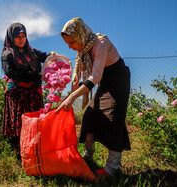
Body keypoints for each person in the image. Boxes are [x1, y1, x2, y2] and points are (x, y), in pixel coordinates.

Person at [56, 17, 131, 179]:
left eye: (72, 42)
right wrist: (69, 95)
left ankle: (111, 169)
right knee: (90, 115)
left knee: (113, 118)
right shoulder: (84, 51)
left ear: (80, 35)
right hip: (104, 80)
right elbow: (86, 78)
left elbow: (94, 77)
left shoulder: (100, 44)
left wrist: (71, 98)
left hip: (118, 79)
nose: (71, 47)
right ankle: (87, 157)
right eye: (68, 44)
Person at [1, 22, 54, 159]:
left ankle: (35, 150)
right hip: (18, 94)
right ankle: (20, 153)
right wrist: (33, 76)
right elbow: (11, 73)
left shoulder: (32, 52)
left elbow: (46, 57)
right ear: (11, 37)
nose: (21, 39)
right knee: (20, 122)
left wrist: (53, 56)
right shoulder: (8, 54)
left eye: (23, 35)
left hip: (33, 92)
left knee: (35, 120)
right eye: (17, 36)